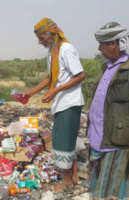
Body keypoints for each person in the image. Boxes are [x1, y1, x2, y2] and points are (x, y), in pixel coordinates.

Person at [23, 17, 86, 193]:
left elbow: (80, 75)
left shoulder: (66, 49)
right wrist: (31, 92)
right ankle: (73, 177)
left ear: (51, 34)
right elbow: (51, 78)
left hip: (69, 103)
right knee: (66, 141)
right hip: (61, 103)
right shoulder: (54, 51)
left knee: (64, 142)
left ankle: (66, 182)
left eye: (41, 38)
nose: (39, 42)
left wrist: (55, 91)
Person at [88, 22, 129, 200]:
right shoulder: (109, 66)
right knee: (98, 181)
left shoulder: (127, 69)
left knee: (113, 186)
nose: (99, 48)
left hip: (116, 137)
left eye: (103, 44)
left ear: (115, 44)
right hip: (97, 136)